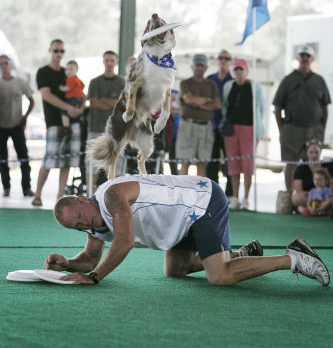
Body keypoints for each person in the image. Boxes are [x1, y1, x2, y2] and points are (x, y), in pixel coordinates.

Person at [45, 174, 330, 287]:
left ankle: (294, 257)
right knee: (175, 271)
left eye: (80, 217)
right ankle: (238, 255)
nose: (84, 224)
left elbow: (124, 241)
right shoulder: (94, 222)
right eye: (77, 226)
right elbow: (90, 256)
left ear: (83, 198)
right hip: (179, 223)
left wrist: (95, 278)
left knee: (219, 276)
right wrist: (68, 264)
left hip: (200, 203)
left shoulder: (110, 197)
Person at [273, 44, 331, 193]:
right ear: (298, 58)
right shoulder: (288, 80)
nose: (305, 59)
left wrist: (321, 130)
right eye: (302, 56)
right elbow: (278, 107)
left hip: (314, 129)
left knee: (312, 164)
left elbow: (325, 108)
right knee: (291, 164)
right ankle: (290, 196)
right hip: (292, 129)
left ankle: (311, 197)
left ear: (312, 59)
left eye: (308, 56)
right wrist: (283, 129)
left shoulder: (319, 80)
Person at [32, 39, 83, 206]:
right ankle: (37, 194)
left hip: (72, 121)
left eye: (61, 51)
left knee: (67, 161)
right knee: (49, 160)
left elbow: (80, 91)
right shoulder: (43, 72)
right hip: (54, 121)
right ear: (50, 51)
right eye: (56, 51)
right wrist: (68, 108)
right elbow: (46, 95)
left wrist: (80, 107)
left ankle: (60, 197)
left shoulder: (66, 72)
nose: (59, 54)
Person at [222, 58, 265, 210]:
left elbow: (261, 109)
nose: (239, 72)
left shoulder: (255, 87)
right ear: (233, 72)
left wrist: (258, 130)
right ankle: (235, 196)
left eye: (241, 69)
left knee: (247, 165)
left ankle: (246, 198)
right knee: (233, 164)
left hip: (250, 129)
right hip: (231, 130)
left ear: (246, 71)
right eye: (236, 69)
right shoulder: (228, 86)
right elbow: (225, 107)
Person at [86, 51, 125, 192]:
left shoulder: (122, 82)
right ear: (103, 62)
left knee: (117, 165)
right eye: (107, 60)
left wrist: (104, 101)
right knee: (93, 164)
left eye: (112, 60)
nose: (109, 63)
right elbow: (94, 103)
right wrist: (112, 103)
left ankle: (116, 197)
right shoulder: (95, 82)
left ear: (116, 62)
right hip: (96, 127)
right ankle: (90, 195)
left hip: (116, 129)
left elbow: (121, 104)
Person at [176, 54, 220, 177]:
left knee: (202, 163)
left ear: (206, 68)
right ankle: (181, 192)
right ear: (192, 67)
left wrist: (196, 103)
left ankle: (200, 194)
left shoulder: (211, 85)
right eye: (197, 65)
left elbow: (217, 104)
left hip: (206, 127)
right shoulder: (185, 83)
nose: (199, 68)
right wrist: (207, 100)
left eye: (202, 65)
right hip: (187, 125)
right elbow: (188, 99)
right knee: (185, 162)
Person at [0, 54, 34, 197]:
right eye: (1, 63)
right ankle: (6, 187)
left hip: (17, 125)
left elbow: (32, 100)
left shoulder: (20, 82)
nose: (4, 66)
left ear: (11, 65)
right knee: (2, 159)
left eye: (6, 63)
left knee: (24, 158)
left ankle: (26, 188)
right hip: (1, 127)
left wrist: (25, 117)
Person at [207, 50, 233, 196]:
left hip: (229, 128)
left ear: (230, 61)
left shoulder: (234, 80)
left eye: (226, 58)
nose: (223, 61)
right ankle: (213, 193)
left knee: (230, 160)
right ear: (216, 60)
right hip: (211, 125)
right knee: (212, 161)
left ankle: (230, 193)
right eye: (221, 58)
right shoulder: (210, 79)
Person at [292, 139, 333, 213]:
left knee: (330, 200)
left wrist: (326, 194)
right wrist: (315, 193)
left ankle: (316, 210)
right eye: (311, 152)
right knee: (296, 198)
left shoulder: (328, 166)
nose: (314, 155)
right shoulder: (301, 168)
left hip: (326, 196)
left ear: (320, 152)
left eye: (316, 152)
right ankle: (313, 209)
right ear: (307, 153)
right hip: (309, 196)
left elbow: (332, 182)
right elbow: (299, 190)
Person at [59, 60, 85, 134]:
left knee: (64, 110)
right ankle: (81, 117)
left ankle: (66, 127)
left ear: (76, 71)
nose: (68, 71)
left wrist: (61, 88)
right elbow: (83, 86)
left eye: (71, 69)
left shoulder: (71, 79)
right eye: (67, 69)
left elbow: (67, 88)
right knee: (76, 109)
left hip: (73, 97)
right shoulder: (78, 79)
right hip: (79, 98)